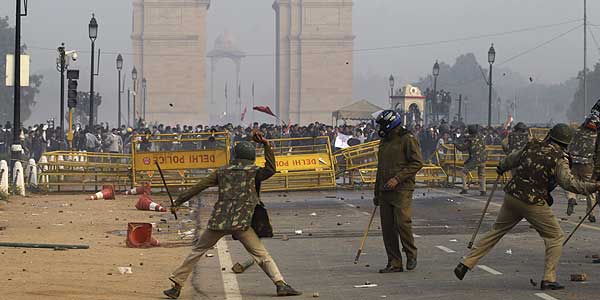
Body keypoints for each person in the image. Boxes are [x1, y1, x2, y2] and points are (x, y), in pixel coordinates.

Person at [454, 124, 600, 290]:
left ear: (550, 135)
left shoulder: (532, 145)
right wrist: (594, 187)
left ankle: (466, 263)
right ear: (566, 142)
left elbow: (510, 160)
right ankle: (549, 278)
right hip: (532, 201)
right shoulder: (559, 157)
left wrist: (502, 167)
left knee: (496, 231)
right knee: (555, 237)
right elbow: (569, 183)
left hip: (512, 195)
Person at [163, 130, 301, 299]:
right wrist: (266, 145)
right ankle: (280, 284)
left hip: (220, 220)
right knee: (261, 255)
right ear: (250, 156)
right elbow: (271, 169)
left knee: (198, 250)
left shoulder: (221, 172)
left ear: (234, 155)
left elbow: (199, 186)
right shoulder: (254, 171)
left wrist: (178, 202)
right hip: (242, 222)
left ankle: (176, 285)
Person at [373, 110, 424, 273]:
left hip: (402, 188)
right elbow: (380, 169)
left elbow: (417, 163)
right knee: (387, 228)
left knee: (402, 223)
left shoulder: (407, 140)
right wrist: (376, 193)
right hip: (385, 190)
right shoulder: (384, 142)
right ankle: (394, 262)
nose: (379, 128)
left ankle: (411, 254)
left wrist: (397, 178)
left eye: (382, 124)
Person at [566, 118, 597, 221]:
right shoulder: (595, 135)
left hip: (574, 161)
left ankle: (572, 198)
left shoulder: (577, 132)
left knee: (572, 182)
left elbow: (569, 146)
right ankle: (590, 214)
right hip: (588, 164)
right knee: (590, 188)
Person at [456, 125, 487, 196]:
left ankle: (465, 188)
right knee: (482, 174)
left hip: (475, 160)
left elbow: (462, 148)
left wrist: (456, 144)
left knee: (464, 172)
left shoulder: (470, 140)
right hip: (483, 159)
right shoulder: (481, 138)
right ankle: (483, 190)